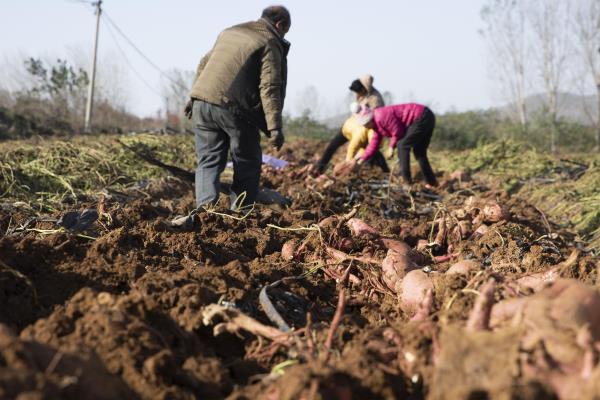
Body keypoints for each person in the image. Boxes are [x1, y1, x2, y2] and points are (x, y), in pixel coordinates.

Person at [185, 6, 291, 209]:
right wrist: (275, 126)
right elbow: (269, 86)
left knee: (208, 161)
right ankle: (241, 214)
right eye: (286, 30)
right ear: (280, 25)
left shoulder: (229, 32)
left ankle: (207, 214)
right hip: (233, 108)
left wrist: (193, 98)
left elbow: (204, 63)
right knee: (248, 162)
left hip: (201, 102)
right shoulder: (270, 40)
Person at [349, 103, 439, 187]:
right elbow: (373, 144)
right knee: (419, 152)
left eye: (365, 124)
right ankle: (432, 183)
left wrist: (391, 147)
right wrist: (361, 160)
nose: (365, 127)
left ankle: (406, 181)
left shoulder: (381, 116)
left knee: (402, 145)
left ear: (368, 120)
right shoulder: (376, 125)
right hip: (426, 116)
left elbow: (398, 131)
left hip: (421, 116)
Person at [313, 103, 389, 174]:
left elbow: (370, 148)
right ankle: (320, 168)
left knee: (375, 152)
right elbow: (351, 149)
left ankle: (386, 172)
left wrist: (359, 159)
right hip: (346, 130)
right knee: (331, 147)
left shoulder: (375, 133)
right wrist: (348, 164)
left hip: (360, 132)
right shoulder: (359, 136)